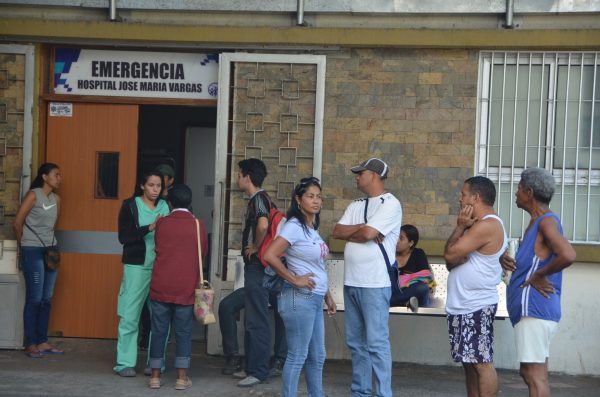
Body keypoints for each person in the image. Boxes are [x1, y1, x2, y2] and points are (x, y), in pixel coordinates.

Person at [501, 168, 576, 397]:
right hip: (533, 310)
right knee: (533, 372)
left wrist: (539, 275)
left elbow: (568, 254)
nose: (515, 193)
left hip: (534, 308)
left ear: (529, 192)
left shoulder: (546, 222)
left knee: (534, 375)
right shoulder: (536, 223)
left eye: (519, 188)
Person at [332, 158, 401, 397]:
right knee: (356, 344)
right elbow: (336, 232)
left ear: (373, 175)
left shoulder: (390, 204)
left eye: (360, 173)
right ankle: (360, 392)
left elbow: (369, 234)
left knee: (376, 344)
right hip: (351, 282)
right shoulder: (355, 204)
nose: (356, 177)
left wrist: (364, 231)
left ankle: (383, 394)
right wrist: (362, 227)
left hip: (375, 284)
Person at [264, 177, 337, 397]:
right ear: (298, 199)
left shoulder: (311, 228)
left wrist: (327, 294)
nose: (316, 201)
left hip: (314, 297)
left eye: (318, 196)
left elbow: (316, 266)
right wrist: (294, 279)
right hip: (298, 297)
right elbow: (270, 255)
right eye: (310, 196)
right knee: (297, 355)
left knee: (318, 355)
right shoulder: (294, 226)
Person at [444, 176, 507, 397]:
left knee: (481, 362)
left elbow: (451, 253)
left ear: (476, 197)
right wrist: (461, 228)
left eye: (463, 194)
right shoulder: (476, 226)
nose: (460, 199)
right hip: (462, 305)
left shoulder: (488, 225)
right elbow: (450, 262)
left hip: (476, 306)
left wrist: (460, 227)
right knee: (469, 363)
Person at [147, 184, 208, 390]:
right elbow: (203, 252)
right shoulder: (198, 225)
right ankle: (182, 378)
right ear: (189, 202)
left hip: (161, 283)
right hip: (185, 286)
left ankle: (155, 376)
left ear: (170, 202)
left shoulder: (162, 223)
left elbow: (158, 246)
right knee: (183, 331)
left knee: (158, 330)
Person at [113, 170, 170, 377]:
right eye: (151, 185)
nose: (155, 189)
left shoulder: (165, 207)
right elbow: (124, 237)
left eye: (158, 186)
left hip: (160, 268)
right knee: (129, 316)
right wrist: (150, 227)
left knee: (160, 317)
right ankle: (124, 363)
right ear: (142, 186)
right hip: (136, 267)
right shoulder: (130, 205)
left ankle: (155, 363)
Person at [236, 158, 286, 387]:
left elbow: (263, 225)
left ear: (247, 176)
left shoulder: (258, 200)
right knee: (255, 316)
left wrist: (255, 247)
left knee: (257, 318)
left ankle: (258, 371)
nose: (238, 178)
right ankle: (252, 367)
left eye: (239, 174)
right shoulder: (260, 199)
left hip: (257, 266)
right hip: (260, 266)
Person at [14, 163, 65, 358]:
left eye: (60, 175)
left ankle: (42, 341)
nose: (59, 178)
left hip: (51, 250)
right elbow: (17, 222)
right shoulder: (34, 195)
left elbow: (53, 226)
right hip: (32, 249)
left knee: (46, 298)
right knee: (34, 298)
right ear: (44, 176)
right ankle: (31, 343)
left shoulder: (57, 199)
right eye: (56, 174)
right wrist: (23, 246)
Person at [218, 287, 287, 377]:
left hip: (278, 287)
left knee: (284, 310)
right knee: (226, 305)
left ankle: (280, 360)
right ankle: (232, 356)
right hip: (257, 286)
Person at [391, 224, 434, 310]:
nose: (397, 241)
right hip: (392, 291)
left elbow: (426, 277)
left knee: (422, 288)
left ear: (411, 243)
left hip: (410, 291)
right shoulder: (389, 253)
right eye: (396, 237)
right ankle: (403, 302)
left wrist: (403, 280)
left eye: (401, 238)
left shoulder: (418, 253)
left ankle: (391, 301)